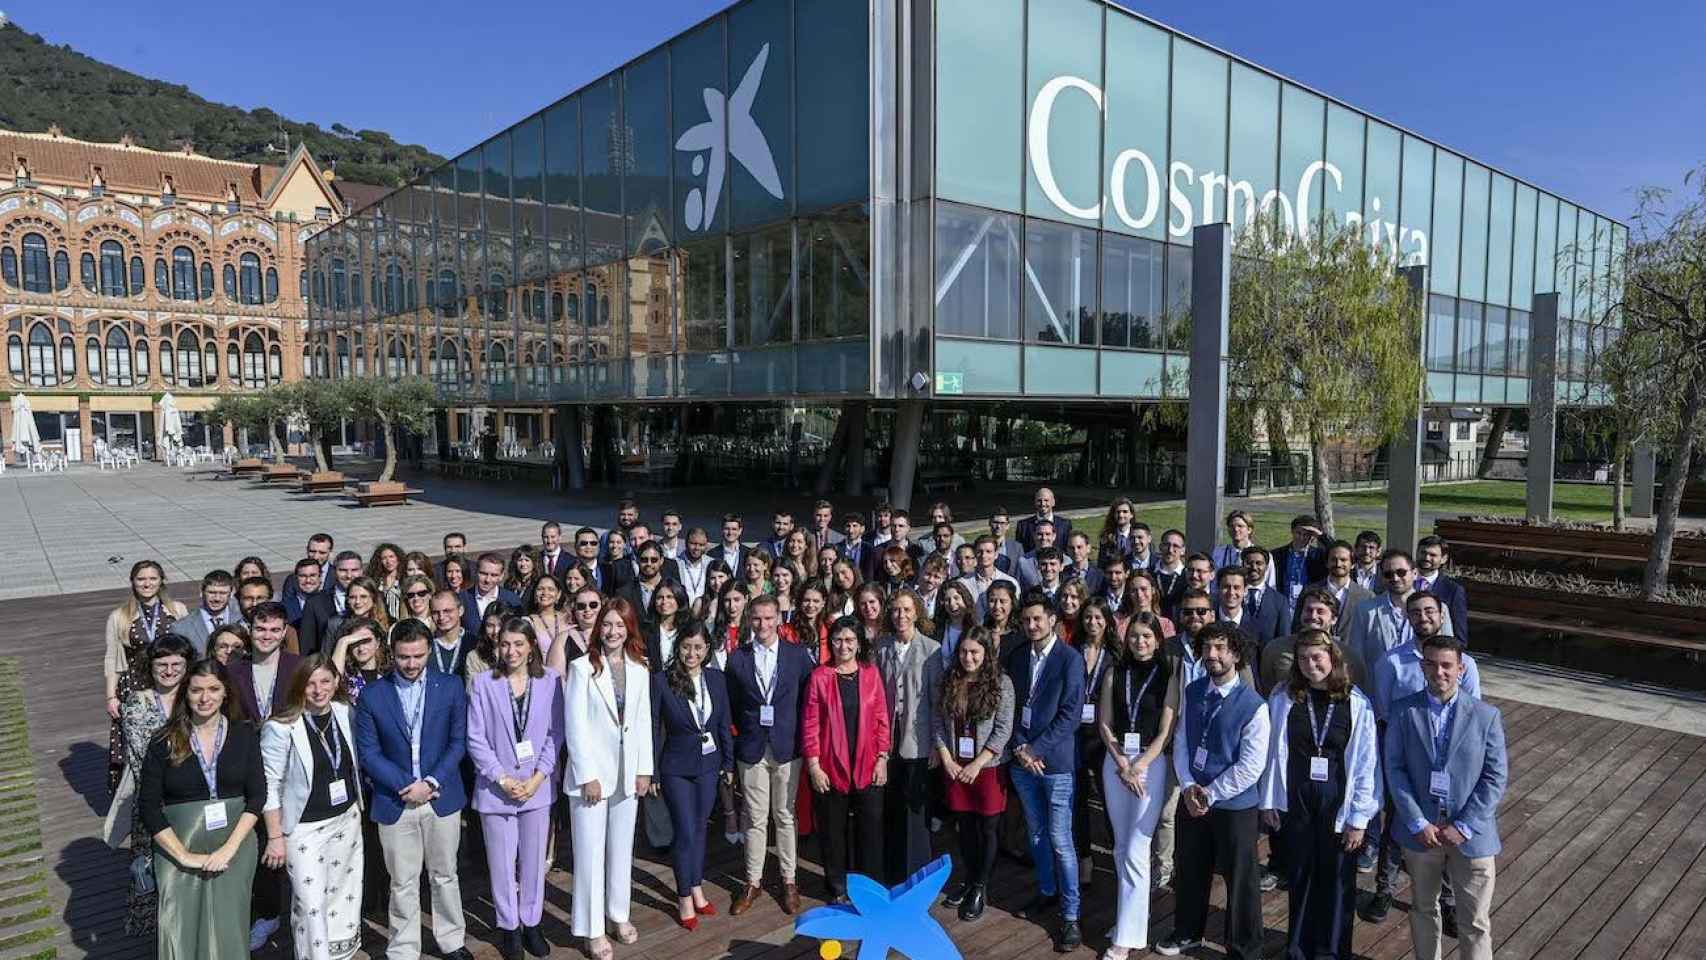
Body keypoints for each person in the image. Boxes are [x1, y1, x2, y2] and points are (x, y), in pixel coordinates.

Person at [351, 620, 473, 960]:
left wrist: (431, 782)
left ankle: (451, 940)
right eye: (404, 657)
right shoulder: (373, 695)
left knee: (445, 875)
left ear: (429, 651)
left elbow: (457, 742)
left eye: (418, 655)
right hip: (396, 800)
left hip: (440, 797)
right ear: (392, 654)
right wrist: (407, 786)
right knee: (402, 882)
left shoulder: (450, 687)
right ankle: (404, 949)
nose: (411, 664)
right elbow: (368, 752)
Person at [1258, 631, 1380, 960]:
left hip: (1338, 801)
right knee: (1300, 877)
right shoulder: (1284, 696)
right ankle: (1297, 949)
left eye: (1317, 658)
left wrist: (1359, 819)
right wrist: (1269, 800)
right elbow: (1272, 753)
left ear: (1333, 659)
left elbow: (1367, 764)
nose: (1310, 665)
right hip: (1296, 799)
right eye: (1303, 659)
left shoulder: (1356, 702)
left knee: (1337, 882)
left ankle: (1331, 952)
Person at [1385, 634, 1506, 960]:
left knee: (1475, 922)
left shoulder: (1486, 716)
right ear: (1422, 666)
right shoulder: (1403, 711)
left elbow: (1495, 778)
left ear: (1461, 669)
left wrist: (1464, 825)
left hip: (1472, 835)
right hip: (1421, 832)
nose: (1439, 672)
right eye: (1432, 664)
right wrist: (1417, 821)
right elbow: (1394, 770)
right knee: (1423, 910)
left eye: (1447, 665)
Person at [1156, 622, 1269, 959]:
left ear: (1236, 653)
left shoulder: (1254, 705)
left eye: (1220, 648)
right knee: (1190, 869)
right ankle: (1187, 931)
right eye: (1207, 648)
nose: (1213, 655)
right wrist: (1189, 786)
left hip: (1234, 805)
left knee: (1241, 880)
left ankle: (1244, 948)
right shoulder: (1192, 691)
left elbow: (1251, 765)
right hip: (1193, 798)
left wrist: (1210, 793)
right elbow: (1181, 742)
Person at [137, 658, 264, 958]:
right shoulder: (163, 741)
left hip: (234, 846)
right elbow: (149, 806)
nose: (205, 698)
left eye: (213, 689)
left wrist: (228, 851)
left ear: (225, 693)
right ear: (186, 694)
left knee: (228, 927)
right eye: (196, 690)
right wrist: (184, 856)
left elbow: (257, 797)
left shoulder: (244, 735)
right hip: (178, 850)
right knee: (179, 929)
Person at [468, 618, 564, 960]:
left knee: (534, 862)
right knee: (502, 863)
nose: (511, 651)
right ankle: (508, 927)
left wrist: (538, 777)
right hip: (497, 790)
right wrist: (502, 779)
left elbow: (556, 734)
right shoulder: (483, 683)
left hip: (536, 788)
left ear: (531, 647)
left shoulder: (550, 681)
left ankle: (532, 923)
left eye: (518, 644)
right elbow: (476, 739)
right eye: (505, 644)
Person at [260, 652, 366, 960]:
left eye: (325, 681)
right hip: (304, 829)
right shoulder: (281, 727)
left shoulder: (346, 712)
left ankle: (342, 955)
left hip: (346, 819)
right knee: (310, 904)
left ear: (336, 682)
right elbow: (270, 785)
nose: (318, 690)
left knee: (344, 895)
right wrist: (275, 836)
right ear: (299, 687)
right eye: (310, 684)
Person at [564, 598, 654, 959]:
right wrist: (587, 775)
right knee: (589, 853)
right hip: (593, 777)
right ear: (598, 627)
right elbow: (575, 726)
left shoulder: (640, 669)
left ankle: (619, 913)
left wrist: (644, 768)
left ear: (629, 629)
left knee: (621, 848)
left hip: (627, 773)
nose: (613, 631)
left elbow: (644, 721)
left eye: (620, 625)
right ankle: (592, 929)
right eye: (607, 624)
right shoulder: (581, 668)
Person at [1005, 591, 1087, 951]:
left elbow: (1070, 714)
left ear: (1052, 619)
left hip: (1055, 765)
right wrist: (1022, 748)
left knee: (1061, 840)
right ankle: (1046, 890)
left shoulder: (1070, 659)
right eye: (1026, 621)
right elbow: (1010, 706)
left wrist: (1036, 749)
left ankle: (1071, 917)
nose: (1031, 625)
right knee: (1036, 835)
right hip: (1024, 763)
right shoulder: (1018, 655)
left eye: (1037, 619)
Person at [726, 594, 814, 916]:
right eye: (757, 619)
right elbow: (734, 704)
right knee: (755, 817)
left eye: (768, 618)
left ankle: (789, 880)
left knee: (785, 814)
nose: (763, 625)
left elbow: (807, 700)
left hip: (787, 746)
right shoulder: (737, 659)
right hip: (751, 747)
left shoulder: (798, 655)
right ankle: (753, 881)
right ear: (750, 620)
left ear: (779, 619)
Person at [1095, 612, 1176, 960]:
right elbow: (1105, 723)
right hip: (1116, 764)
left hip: (1149, 765)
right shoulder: (1115, 671)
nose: (1139, 642)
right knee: (1120, 847)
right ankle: (1129, 918)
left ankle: (1126, 937)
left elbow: (1165, 731)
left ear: (1158, 639)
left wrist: (1139, 764)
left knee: (1136, 850)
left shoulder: (1168, 673)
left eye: (1146, 636)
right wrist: (1121, 762)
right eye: (1134, 636)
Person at [105, 634, 191, 937]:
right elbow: (142, 760)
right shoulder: (137, 704)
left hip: (195, 803)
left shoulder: (195, 696)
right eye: (162, 664)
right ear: (151, 666)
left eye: (176, 664)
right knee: (156, 873)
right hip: (156, 803)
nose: (169, 671)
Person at [652, 621, 734, 929]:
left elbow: (723, 722)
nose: (691, 653)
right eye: (686, 646)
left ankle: (697, 886)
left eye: (698, 647)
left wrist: (728, 762)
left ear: (707, 650)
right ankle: (683, 895)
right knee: (685, 832)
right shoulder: (662, 681)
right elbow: (654, 729)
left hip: (710, 766)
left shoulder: (716, 679)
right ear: (678, 647)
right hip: (676, 767)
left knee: (700, 829)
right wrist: (654, 771)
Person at [802, 616, 891, 902]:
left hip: (868, 765)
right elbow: (811, 724)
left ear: (859, 643)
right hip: (831, 767)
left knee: (871, 833)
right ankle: (838, 887)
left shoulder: (870, 674)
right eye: (838, 640)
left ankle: (871, 890)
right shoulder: (819, 676)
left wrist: (882, 758)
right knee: (833, 832)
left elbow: (881, 719)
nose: (843, 646)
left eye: (850, 640)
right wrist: (814, 766)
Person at [933, 626, 1013, 922]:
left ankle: (980, 886)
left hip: (987, 768)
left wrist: (978, 763)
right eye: (964, 652)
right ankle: (968, 878)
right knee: (964, 827)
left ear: (986, 654)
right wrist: (946, 759)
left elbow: (1003, 729)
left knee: (987, 828)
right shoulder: (949, 680)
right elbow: (937, 723)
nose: (968, 657)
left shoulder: (1001, 684)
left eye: (975, 652)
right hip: (955, 766)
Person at [105, 560, 188, 792]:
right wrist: (111, 696)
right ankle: (136, 793)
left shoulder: (177, 610)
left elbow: (188, 649)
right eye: (141, 579)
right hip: (136, 684)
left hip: (171, 680)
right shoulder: (119, 616)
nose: (147, 583)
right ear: (132, 582)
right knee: (137, 742)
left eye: (152, 578)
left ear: (161, 580)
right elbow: (112, 658)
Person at [877, 589, 942, 884]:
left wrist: (935, 746)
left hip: (919, 738)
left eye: (906, 610)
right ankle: (892, 871)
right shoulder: (882, 647)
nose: (900, 616)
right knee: (892, 806)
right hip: (889, 740)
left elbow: (937, 702)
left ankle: (917, 873)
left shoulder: (932, 650)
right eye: (895, 611)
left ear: (917, 612)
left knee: (916, 809)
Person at [1071, 597, 1117, 888]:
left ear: (1107, 621)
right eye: (1088, 617)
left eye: (1098, 618)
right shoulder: (1073, 651)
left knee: (1109, 800)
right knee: (1078, 802)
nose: (1093, 623)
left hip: (1103, 738)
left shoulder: (1115, 655)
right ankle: (1084, 859)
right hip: (1075, 736)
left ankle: (1116, 854)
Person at [1297, 540, 1374, 639]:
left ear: (1353, 564)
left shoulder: (1367, 597)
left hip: (1351, 652)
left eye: (1343, 560)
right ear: (1327, 563)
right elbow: (1298, 625)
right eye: (1333, 559)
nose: (1338, 564)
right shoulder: (1309, 591)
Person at [299, 551, 365, 657]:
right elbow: (307, 646)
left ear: (362, 571)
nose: (349, 575)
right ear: (334, 571)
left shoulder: (374, 597)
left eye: (354, 570)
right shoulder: (315, 602)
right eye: (343, 570)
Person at [1415, 536, 1471, 647]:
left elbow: (1459, 633)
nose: (1426, 557)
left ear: (1444, 559)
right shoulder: (1403, 582)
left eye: (1433, 555)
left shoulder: (1453, 590)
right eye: (1423, 553)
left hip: (1436, 651)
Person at [169, 569, 236, 657]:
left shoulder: (242, 620)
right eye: (212, 592)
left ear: (231, 593)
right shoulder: (181, 628)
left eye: (223, 593)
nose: (217, 598)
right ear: (201, 592)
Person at [1272, 515, 1328, 605]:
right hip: (1283, 603)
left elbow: (1338, 551)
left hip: (1309, 605)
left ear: (1313, 536)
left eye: (1306, 534)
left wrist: (1321, 536)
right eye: (1298, 533)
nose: (1301, 538)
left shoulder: (1319, 556)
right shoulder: (1277, 554)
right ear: (1292, 532)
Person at [462, 553, 523, 636]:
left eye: (494, 575)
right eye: (483, 573)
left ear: (501, 576)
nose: (487, 580)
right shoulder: (462, 598)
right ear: (476, 572)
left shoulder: (512, 600)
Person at [1239, 547, 1291, 643]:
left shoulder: (1280, 601)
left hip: (1267, 655)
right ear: (1242, 565)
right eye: (1249, 563)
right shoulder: (1232, 595)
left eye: (1259, 563)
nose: (1254, 567)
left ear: (1266, 567)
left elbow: (1284, 638)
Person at [959, 535, 1020, 616]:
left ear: (996, 554)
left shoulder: (1010, 582)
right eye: (980, 552)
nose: (984, 555)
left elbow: (1015, 611)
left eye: (988, 551)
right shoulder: (963, 583)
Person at [427, 590, 477, 680]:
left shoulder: (474, 643)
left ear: (461, 611)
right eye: (436, 612)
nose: (441, 617)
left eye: (447, 611)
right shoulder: (426, 644)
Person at [642, 581, 691, 671]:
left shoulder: (689, 628)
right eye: (660, 598)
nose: (664, 602)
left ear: (679, 599)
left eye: (670, 597)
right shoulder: (646, 630)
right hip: (655, 681)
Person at [283, 533, 334, 611]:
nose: (316, 557)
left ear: (330, 552)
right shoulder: (292, 579)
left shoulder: (337, 576)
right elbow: (287, 606)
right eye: (312, 551)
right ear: (307, 550)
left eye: (322, 553)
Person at [1016, 487, 1072, 552]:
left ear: (1053, 502)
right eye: (1039, 501)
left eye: (1046, 500)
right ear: (1035, 502)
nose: (1043, 504)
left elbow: (1068, 550)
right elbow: (1019, 552)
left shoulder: (1065, 525)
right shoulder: (1023, 526)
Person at [1096, 496, 1142, 567]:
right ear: (1113, 515)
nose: (1121, 515)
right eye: (1118, 512)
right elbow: (1101, 564)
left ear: (1131, 514)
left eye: (1125, 512)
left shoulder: (1140, 535)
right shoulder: (1106, 537)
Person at [367, 542, 406, 619]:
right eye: (384, 558)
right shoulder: (377, 581)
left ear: (398, 558)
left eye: (391, 556)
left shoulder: (405, 578)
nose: (388, 561)